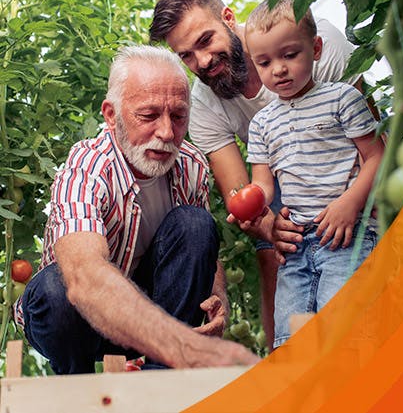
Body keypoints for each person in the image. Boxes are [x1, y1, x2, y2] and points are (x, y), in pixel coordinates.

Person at [148, 0, 377, 351]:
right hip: (275, 168)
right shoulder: (204, 102)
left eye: (205, 41)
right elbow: (242, 191)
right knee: (277, 254)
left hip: (340, 158)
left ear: (228, 17)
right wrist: (268, 225)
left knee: (359, 250)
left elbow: (372, 139)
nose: (202, 62)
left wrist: (352, 204)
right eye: (186, 55)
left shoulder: (315, 44)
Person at [13, 45, 259, 374]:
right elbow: (85, 276)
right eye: (148, 115)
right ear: (111, 115)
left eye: (178, 116)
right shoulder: (87, 168)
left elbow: (201, 251)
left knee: (196, 224)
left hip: (151, 322)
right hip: (76, 324)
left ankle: (162, 381)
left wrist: (218, 297)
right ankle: (79, 390)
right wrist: (180, 342)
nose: (167, 133)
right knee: (57, 289)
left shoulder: (191, 166)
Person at [240, 0, 385, 348]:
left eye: (290, 55)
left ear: (316, 48)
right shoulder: (261, 123)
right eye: (264, 62)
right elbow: (263, 183)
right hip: (295, 246)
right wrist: (249, 204)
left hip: (345, 235)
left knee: (343, 330)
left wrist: (350, 203)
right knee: (292, 336)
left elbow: (377, 157)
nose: (278, 69)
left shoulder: (342, 99)